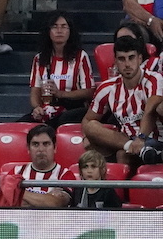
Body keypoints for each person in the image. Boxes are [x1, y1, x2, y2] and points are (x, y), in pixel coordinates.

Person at [82, 35, 163, 166]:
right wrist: (86, 137)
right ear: (115, 62)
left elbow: (150, 111)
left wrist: (141, 138)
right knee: (91, 127)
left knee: (122, 155)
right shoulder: (107, 88)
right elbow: (87, 120)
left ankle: (142, 151)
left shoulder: (154, 79)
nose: (127, 64)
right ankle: (139, 150)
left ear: (140, 58)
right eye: (121, 59)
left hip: (155, 139)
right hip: (126, 141)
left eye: (131, 58)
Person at [27, 12, 94, 126]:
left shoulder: (80, 56)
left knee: (60, 121)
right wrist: (37, 108)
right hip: (48, 107)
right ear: (48, 32)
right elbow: (35, 92)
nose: (59, 30)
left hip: (73, 107)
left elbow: (89, 91)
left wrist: (61, 94)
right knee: (22, 123)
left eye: (63, 26)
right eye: (54, 27)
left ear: (70, 31)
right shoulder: (39, 58)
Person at [11, 124, 75, 208]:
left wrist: (18, 193)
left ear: (55, 148)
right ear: (28, 149)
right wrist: (46, 198)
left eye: (46, 144)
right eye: (35, 144)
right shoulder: (16, 172)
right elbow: (5, 202)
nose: (41, 149)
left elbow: (55, 204)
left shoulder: (65, 175)